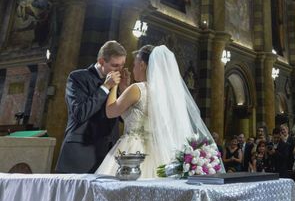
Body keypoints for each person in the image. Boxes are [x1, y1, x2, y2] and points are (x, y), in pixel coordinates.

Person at [95, 45, 224, 178]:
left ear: (143, 65)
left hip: (133, 150)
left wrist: (113, 85)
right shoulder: (168, 95)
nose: (133, 70)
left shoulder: (137, 89)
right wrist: (124, 89)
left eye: (135, 65)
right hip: (159, 150)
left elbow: (110, 111)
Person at [56, 41, 128, 173]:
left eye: (122, 65)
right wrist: (106, 87)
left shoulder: (118, 82)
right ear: (101, 61)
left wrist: (123, 91)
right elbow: (80, 113)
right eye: (115, 66)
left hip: (109, 153)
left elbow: (124, 118)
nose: (119, 70)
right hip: (81, 153)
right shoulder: (78, 77)